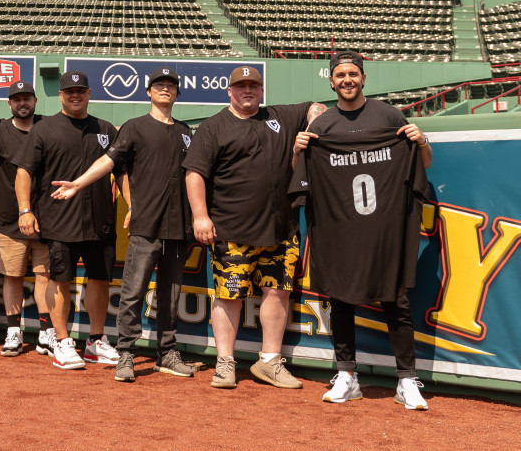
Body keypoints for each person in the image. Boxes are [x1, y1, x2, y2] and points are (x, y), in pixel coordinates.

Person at [289, 50, 431, 410]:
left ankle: (406, 379)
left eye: (353, 73)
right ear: (331, 81)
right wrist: (297, 151)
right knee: (341, 299)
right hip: (340, 230)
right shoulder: (322, 126)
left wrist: (421, 141)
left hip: (386, 229)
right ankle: (347, 374)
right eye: (340, 75)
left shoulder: (389, 115)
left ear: (363, 78)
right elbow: (300, 178)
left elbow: (421, 168)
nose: (347, 80)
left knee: (395, 298)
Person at [183, 65, 325, 390]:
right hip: (232, 231)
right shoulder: (213, 126)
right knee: (228, 296)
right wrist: (200, 216)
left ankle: (270, 361)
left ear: (261, 90)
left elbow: (317, 107)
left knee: (278, 292)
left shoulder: (280, 116)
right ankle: (224, 363)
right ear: (229, 91)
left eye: (253, 85)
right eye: (240, 85)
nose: (247, 90)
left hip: (281, 230)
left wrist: (313, 128)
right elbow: (194, 173)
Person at [53, 67, 195, 383]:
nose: (165, 89)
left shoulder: (186, 131)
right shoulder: (134, 127)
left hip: (179, 228)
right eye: (159, 84)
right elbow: (109, 162)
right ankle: (127, 353)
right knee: (132, 293)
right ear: (148, 91)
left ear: (177, 93)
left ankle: (167, 354)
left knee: (171, 295)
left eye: (170, 85)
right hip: (146, 226)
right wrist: (78, 183)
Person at [13, 70, 120, 370]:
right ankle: (62, 342)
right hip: (60, 220)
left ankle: (95, 342)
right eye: (69, 91)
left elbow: (121, 172)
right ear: (60, 95)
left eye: (81, 90)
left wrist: (134, 205)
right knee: (60, 282)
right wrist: (25, 210)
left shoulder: (106, 128)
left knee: (99, 280)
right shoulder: (44, 129)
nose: (75, 95)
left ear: (89, 93)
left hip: (100, 221)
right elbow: (24, 171)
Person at [0, 80, 49, 357]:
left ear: (35, 101)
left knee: (45, 276)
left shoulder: (47, 127)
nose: (22, 103)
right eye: (16, 99)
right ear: (9, 104)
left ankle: (46, 333)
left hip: (46, 220)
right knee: (13, 276)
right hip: (8, 220)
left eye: (26, 98)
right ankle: (13, 331)